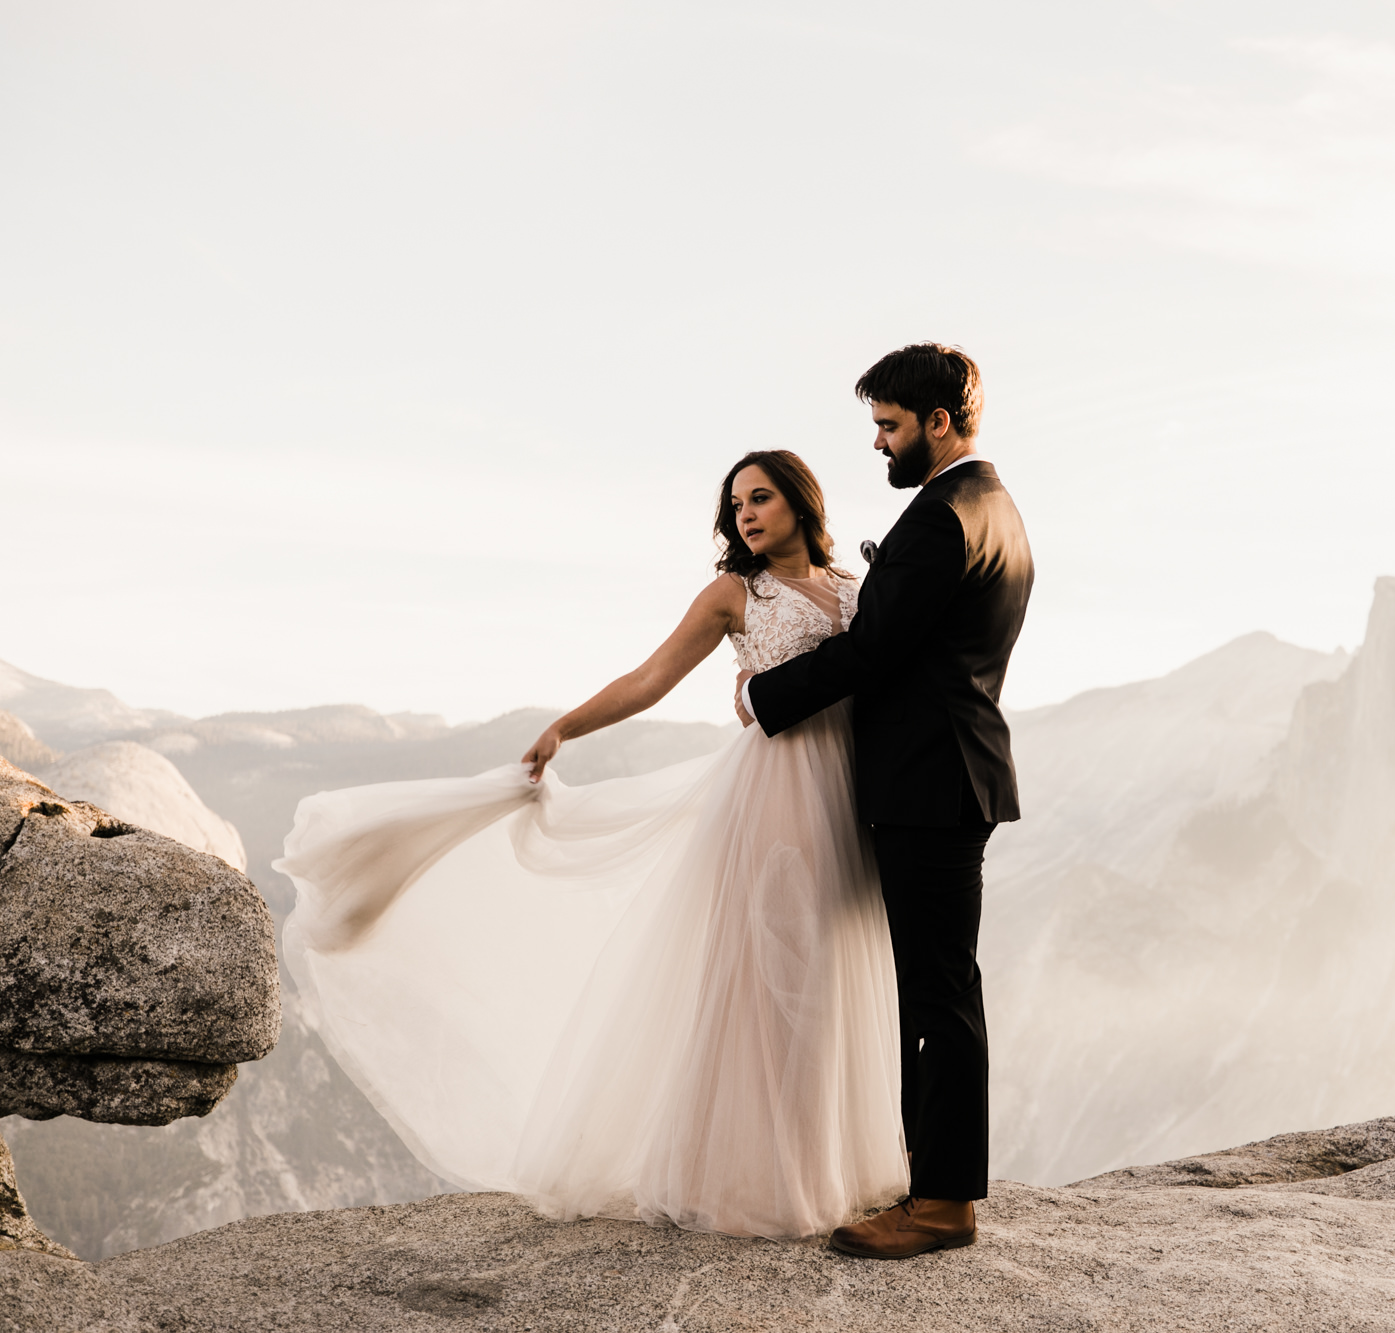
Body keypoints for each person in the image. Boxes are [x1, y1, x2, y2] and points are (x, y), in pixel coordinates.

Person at [276, 449, 906, 1240]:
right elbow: (650, 678)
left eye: (761, 497)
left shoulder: (854, 589)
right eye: (736, 504)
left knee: (836, 973)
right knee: (771, 981)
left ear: (801, 502)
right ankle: (764, 1178)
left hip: (848, 793)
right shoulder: (733, 595)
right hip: (775, 797)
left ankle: (835, 1162)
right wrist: (566, 725)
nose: (746, 514)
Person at [739, 343, 1034, 1259]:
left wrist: (765, 695)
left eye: (889, 425)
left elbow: (874, 651)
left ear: (938, 422)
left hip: (929, 781)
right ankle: (932, 1183)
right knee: (938, 987)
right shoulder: (995, 509)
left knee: (938, 994)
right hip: (950, 773)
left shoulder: (945, 519)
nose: (878, 443)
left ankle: (943, 1203)